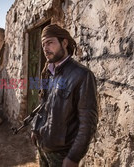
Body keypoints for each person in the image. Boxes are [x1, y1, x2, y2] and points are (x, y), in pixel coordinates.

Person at [31, 24, 98, 167]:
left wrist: (73, 157)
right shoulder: (48, 72)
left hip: (62, 154)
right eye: (43, 45)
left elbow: (88, 123)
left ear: (64, 43)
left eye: (50, 42)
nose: (46, 48)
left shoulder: (82, 75)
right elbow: (43, 105)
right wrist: (36, 129)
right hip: (43, 146)